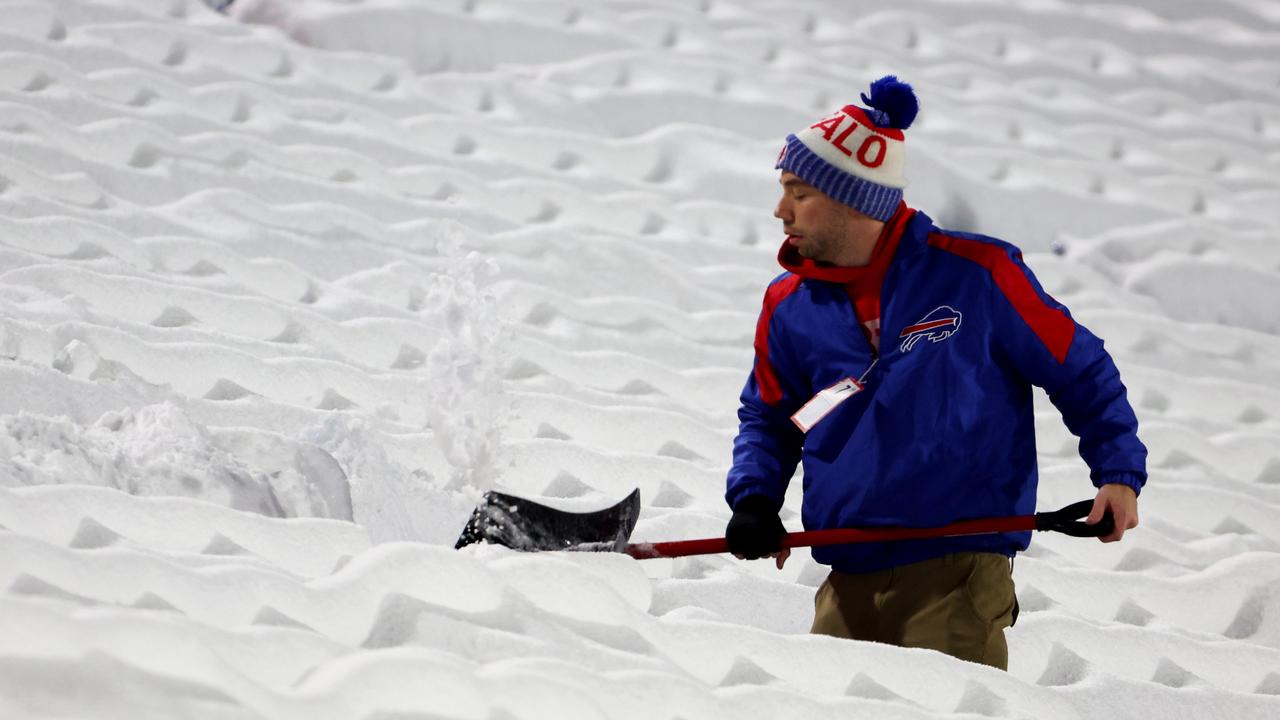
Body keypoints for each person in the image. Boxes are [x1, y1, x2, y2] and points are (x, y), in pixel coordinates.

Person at [723, 76, 1147, 671]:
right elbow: (771, 417)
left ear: (854, 198)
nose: (779, 209)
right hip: (848, 570)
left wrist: (1118, 472)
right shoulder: (789, 304)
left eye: (799, 191)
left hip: (958, 567)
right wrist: (755, 499)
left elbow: (1080, 368)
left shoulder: (978, 275)